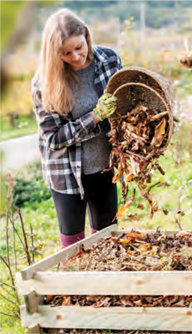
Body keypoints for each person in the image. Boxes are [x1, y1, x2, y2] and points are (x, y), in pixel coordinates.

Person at [31, 8, 122, 250]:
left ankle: (107, 288)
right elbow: (53, 138)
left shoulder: (109, 60)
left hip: (105, 167)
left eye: (79, 47)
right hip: (66, 173)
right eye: (66, 53)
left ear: (87, 37)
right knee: (74, 246)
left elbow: (126, 103)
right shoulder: (44, 84)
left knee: (108, 240)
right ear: (54, 53)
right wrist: (93, 117)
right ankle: (77, 287)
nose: (76, 57)